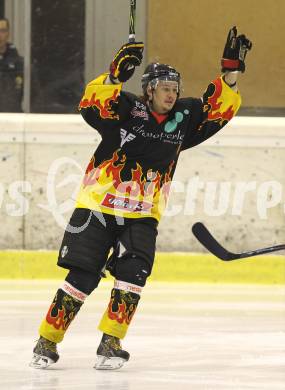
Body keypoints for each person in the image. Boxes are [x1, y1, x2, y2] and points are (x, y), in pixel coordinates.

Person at [30, 26, 252, 370]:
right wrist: (116, 74)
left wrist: (230, 73)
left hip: (144, 212)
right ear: (148, 89)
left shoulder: (184, 117)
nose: (172, 94)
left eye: (175, 89)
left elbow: (218, 110)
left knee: (133, 275)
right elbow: (91, 104)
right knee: (83, 277)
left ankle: (111, 341)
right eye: (165, 88)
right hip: (97, 207)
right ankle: (48, 338)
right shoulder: (124, 108)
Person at [0, 17, 23, 112]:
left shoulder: (16, 60)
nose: (0, 35)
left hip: (12, 116)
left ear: (8, 33)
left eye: (3, 31)